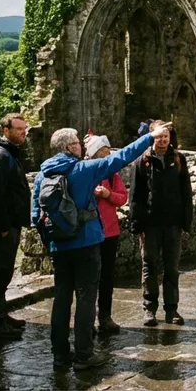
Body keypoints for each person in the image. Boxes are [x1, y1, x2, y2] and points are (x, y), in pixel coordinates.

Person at [32, 123, 170, 371]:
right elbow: (121, 157)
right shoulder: (83, 170)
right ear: (68, 148)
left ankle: (60, 356)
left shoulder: (43, 174)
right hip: (85, 243)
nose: (79, 146)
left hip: (59, 245)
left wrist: (50, 240)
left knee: (61, 298)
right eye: (76, 143)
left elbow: (36, 214)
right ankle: (84, 355)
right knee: (86, 297)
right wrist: (149, 137)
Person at [131, 120, 193, 327]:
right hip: (151, 223)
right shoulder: (142, 161)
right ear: (151, 137)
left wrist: (186, 222)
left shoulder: (178, 159)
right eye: (158, 136)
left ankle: (171, 309)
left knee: (172, 267)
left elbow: (186, 192)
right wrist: (136, 224)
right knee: (149, 266)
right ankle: (149, 309)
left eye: (166, 135)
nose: (163, 139)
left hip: (173, 223)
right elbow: (136, 195)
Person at [0, 113, 30, 340]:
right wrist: (3, 225)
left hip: (10, 223)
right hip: (3, 225)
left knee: (6, 271)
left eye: (24, 129)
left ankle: (2, 315)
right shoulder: (0, 155)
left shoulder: (9, 153)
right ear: (6, 130)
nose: (23, 133)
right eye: (19, 129)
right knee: (0, 271)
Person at [84, 134, 127, 335]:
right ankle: (87, 320)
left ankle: (105, 317)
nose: (107, 157)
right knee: (88, 277)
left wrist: (108, 195)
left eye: (108, 154)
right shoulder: (84, 172)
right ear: (94, 155)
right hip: (88, 231)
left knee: (106, 277)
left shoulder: (112, 174)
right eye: (103, 154)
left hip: (109, 231)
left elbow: (122, 198)